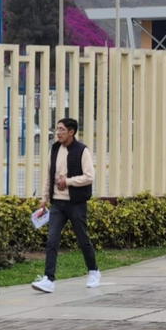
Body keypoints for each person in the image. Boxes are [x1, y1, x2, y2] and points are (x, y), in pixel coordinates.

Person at [31, 117, 100, 293]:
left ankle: (93, 271)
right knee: (52, 240)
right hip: (57, 203)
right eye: (57, 129)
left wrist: (68, 182)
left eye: (62, 129)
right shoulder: (54, 149)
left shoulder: (82, 150)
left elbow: (89, 176)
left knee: (83, 238)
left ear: (71, 132)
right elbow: (49, 174)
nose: (58, 133)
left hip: (76, 203)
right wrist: (44, 198)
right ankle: (49, 279)